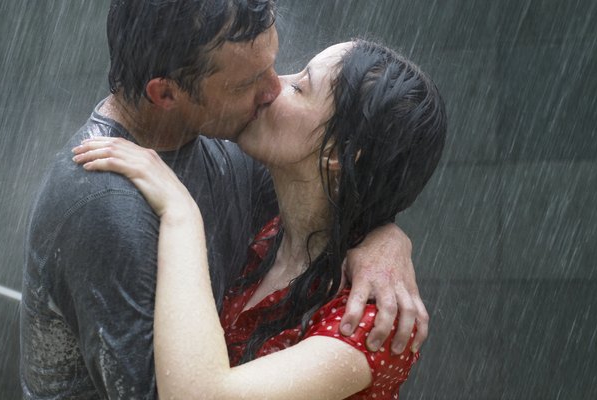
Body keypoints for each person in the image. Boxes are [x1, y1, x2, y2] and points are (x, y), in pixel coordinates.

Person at [22, 1, 427, 398]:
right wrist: (183, 216)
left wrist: (385, 237)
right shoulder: (105, 207)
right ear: (165, 94)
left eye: (287, 74)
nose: (273, 89)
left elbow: (344, 192)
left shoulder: (240, 156)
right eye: (246, 82)